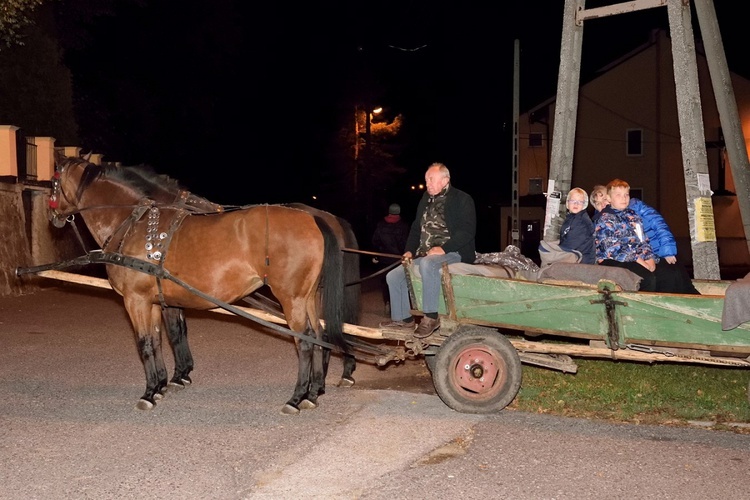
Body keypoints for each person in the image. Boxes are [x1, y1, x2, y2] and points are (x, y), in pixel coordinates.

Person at [380, 162, 476, 337]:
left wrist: (444, 248)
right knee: (393, 276)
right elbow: (417, 228)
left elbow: (467, 231)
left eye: (431, 179)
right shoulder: (426, 199)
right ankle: (403, 320)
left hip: (454, 253)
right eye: (426, 180)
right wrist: (409, 250)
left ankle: (431, 316)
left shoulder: (462, 199)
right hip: (426, 253)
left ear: (445, 180)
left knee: (428, 264)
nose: (427, 184)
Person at [594, 179, 699, 294]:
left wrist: (650, 258)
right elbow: (613, 248)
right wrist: (640, 261)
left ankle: (677, 302)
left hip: (637, 257)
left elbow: (643, 240)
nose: (623, 198)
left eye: (626, 195)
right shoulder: (605, 219)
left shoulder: (633, 215)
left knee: (669, 272)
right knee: (647, 279)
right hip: (615, 259)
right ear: (609, 199)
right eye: (618, 195)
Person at [591, 183, 679, 264]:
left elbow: (658, 222)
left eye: (604, 199)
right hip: (636, 258)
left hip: (658, 250)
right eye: (598, 203)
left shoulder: (634, 206)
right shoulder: (601, 220)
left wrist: (668, 250)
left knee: (675, 273)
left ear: (610, 197)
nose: (602, 204)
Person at [371, 203, 410, 312]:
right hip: (398, 260)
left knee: (385, 283)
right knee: (399, 282)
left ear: (389, 211)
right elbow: (405, 243)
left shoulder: (381, 224)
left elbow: (375, 241)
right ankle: (398, 306)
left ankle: (387, 302)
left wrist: (376, 255)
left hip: (384, 259)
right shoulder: (403, 226)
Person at [558, 187, 595, 264]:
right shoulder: (571, 218)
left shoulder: (582, 221)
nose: (576, 204)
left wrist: (557, 251)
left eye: (580, 202)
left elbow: (572, 243)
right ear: (567, 203)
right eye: (573, 201)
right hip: (575, 258)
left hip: (582, 262)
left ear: (584, 205)